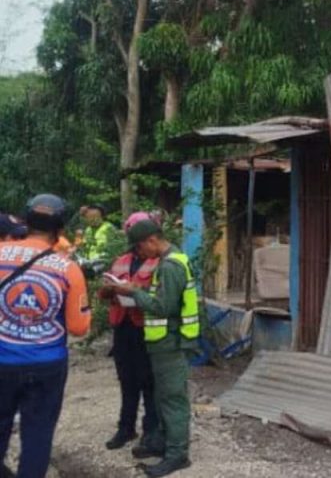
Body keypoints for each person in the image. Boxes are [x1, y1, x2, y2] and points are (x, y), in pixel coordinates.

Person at [0, 194, 91, 478]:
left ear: (26, 221)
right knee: (37, 434)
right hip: (46, 364)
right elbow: (78, 328)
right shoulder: (68, 268)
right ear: (60, 229)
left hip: (2, 360)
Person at [106, 219, 198, 477]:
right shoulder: (172, 260)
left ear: (152, 241)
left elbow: (163, 306)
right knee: (161, 397)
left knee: (172, 399)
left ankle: (178, 454)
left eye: (139, 247)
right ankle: (163, 443)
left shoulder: (170, 266)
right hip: (162, 342)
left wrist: (132, 292)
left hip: (172, 341)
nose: (139, 254)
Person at [95, 213, 160, 452]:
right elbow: (105, 293)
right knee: (126, 380)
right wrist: (108, 290)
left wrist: (134, 289)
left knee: (149, 382)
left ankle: (151, 431)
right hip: (122, 326)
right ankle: (126, 427)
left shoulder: (159, 261)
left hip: (146, 327)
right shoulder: (121, 260)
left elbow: (159, 296)